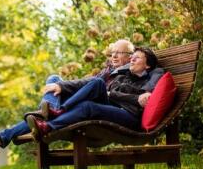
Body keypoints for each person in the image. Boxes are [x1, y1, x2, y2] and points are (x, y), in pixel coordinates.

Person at [0, 41, 161, 156]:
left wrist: (119, 94)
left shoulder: (144, 75)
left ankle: (51, 116)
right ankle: (1, 137)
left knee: (94, 90)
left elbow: (143, 92)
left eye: (121, 53)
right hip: (108, 104)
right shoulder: (115, 72)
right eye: (113, 53)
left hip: (121, 112)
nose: (113, 56)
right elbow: (86, 83)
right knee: (54, 79)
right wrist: (60, 85)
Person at [26, 47, 159, 139]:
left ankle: (47, 126)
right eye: (132, 57)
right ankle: (60, 111)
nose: (132, 60)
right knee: (98, 83)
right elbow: (113, 92)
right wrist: (120, 95)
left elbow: (136, 99)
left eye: (137, 58)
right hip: (114, 106)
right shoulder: (123, 75)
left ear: (147, 65)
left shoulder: (148, 81)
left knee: (88, 106)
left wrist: (118, 95)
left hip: (129, 115)